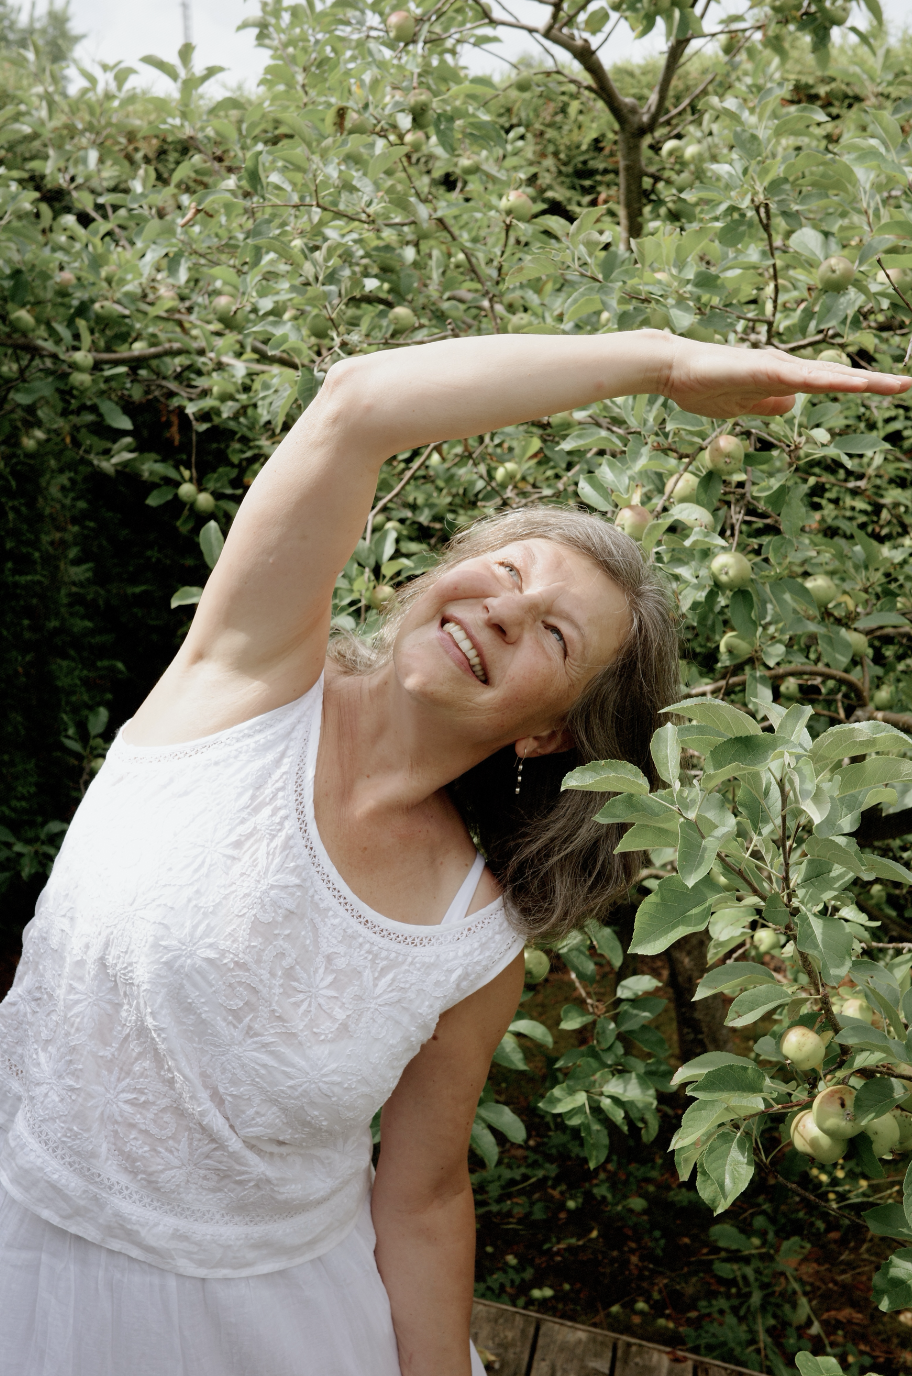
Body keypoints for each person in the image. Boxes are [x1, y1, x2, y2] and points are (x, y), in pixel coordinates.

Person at [0, 331, 907, 1376]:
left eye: (556, 636)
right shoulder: (240, 681)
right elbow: (357, 404)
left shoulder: (469, 938)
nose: (507, 609)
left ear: (549, 733)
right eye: (508, 569)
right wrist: (658, 362)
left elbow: (424, 1195)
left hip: (267, 1328)